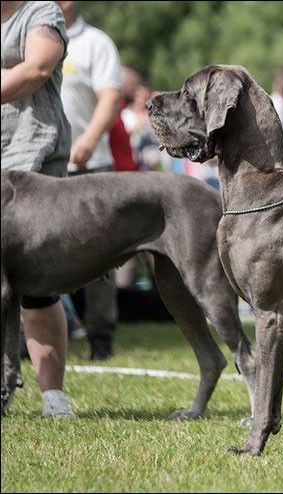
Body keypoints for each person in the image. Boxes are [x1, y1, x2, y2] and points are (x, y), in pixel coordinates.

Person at [1, 0, 75, 417]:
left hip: (32, 160)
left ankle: (53, 396)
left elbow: (37, 68)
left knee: (36, 285)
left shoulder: (40, 11)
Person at [58, 0, 123, 360]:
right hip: (42, 166)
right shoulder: (28, 38)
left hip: (92, 166)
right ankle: (38, 339)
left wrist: (89, 139)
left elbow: (110, 98)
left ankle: (100, 338)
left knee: (101, 257)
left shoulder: (96, 42)